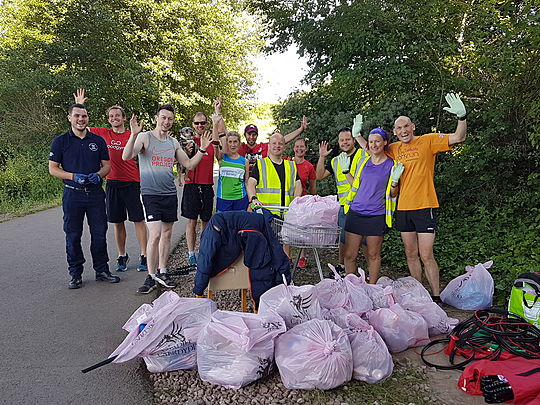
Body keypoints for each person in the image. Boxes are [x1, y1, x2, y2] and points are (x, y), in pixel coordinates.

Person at [355, 94, 467, 300]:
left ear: (413, 127)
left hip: (425, 205)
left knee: (426, 255)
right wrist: (357, 136)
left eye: (406, 126)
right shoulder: (394, 149)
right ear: (395, 132)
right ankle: (419, 294)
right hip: (404, 208)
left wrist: (462, 117)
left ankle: (435, 296)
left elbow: (459, 138)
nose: (403, 131)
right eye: (398, 128)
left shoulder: (428, 141)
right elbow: (373, 148)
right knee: (411, 255)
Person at [123, 105, 211, 294]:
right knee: (154, 234)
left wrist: (202, 150)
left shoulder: (173, 143)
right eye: (163, 118)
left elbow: (188, 165)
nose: (166, 122)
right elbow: (126, 155)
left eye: (170, 119)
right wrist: (133, 134)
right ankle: (150, 275)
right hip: (150, 193)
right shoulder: (145, 137)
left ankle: (162, 272)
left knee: (167, 234)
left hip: (169, 194)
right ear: (157, 118)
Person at [73, 89, 148, 272]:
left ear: (123, 118)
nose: (114, 118)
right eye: (111, 116)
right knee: (117, 221)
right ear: (108, 119)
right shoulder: (103, 133)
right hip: (112, 182)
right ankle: (122, 255)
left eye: (118, 115)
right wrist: (80, 104)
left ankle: (144, 255)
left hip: (131, 182)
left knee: (138, 220)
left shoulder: (133, 134)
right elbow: (79, 126)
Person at [49, 103, 120, 289]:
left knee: (99, 234)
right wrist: (73, 176)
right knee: (73, 235)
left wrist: (98, 175)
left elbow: (107, 166)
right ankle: (75, 273)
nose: (81, 119)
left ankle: (102, 270)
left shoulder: (97, 141)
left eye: (84, 116)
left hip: (95, 195)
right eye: (77, 116)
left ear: (88, 118)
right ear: (70, 118)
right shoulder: (60, 141)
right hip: (73, 195)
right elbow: (53, 169)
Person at [342, 128, 404, 282]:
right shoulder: (364, 162)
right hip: (355, 213)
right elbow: (356, 185)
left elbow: (393, 194)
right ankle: (352, 288)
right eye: (370, 142)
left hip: (376, 215)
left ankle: (372, 288)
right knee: (350, 255)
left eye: (377, 141)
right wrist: (345, 171)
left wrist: (395, 181)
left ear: (384, 142)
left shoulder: (392, 165)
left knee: (372, 255)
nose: (374, 144)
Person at [316, 127, 368, 273]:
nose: (345, 142)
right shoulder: (336, 161)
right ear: (338, 142)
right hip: (344, 207)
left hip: (363, 206)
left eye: (348, 139)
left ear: (353, 140)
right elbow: (319, 175)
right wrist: (322, 157)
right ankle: (343, 267)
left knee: (366, 241)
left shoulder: (363, 155)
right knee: (344, 240)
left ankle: (368, 270)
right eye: (342, 140)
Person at [247, 133, 303, 258]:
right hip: (267, 214)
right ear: (269, 145)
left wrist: (296, 200)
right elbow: (251, 183)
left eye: (280, 144)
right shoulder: (261, 164)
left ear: (284, 147)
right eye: (274, 143)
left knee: (284, 245)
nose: (277, 146)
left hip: (286, 212)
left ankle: (284, 271)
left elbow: (298, 184)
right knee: (266, 246)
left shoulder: (291, 165)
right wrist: (253, 199)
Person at [239, 116, 309, 170]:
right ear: (245, 135)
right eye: (249, 134)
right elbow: (229, 138)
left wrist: (301, 129)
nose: (251, 137)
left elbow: (283, 140)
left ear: (257, 135)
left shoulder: (264, 147)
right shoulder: (240, 147)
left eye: (254, 134)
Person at [291, 137, 317, 269]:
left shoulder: (309, 166)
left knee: (303, 230)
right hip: (288, 199)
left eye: (302, 146)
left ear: (305, 149)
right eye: (297, 146)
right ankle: (287, 257)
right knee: (287, 228)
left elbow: (313, 187)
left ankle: (302, 257)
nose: (299, 149)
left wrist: (313, 202)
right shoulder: (287, 163)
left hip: (303, 201)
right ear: (293, 148)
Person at [213, 128, 249, 212]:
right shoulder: (222, 157)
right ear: (227, 143)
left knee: (239, 224)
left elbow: (246, 182)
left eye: (235, 142)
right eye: (230, 142)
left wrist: (251, 199)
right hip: (223, 198)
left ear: (239, 143)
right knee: (223, 224)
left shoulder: (244, 161)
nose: (233, 145)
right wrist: (215, 124)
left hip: (240, 198)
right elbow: (215, 144)